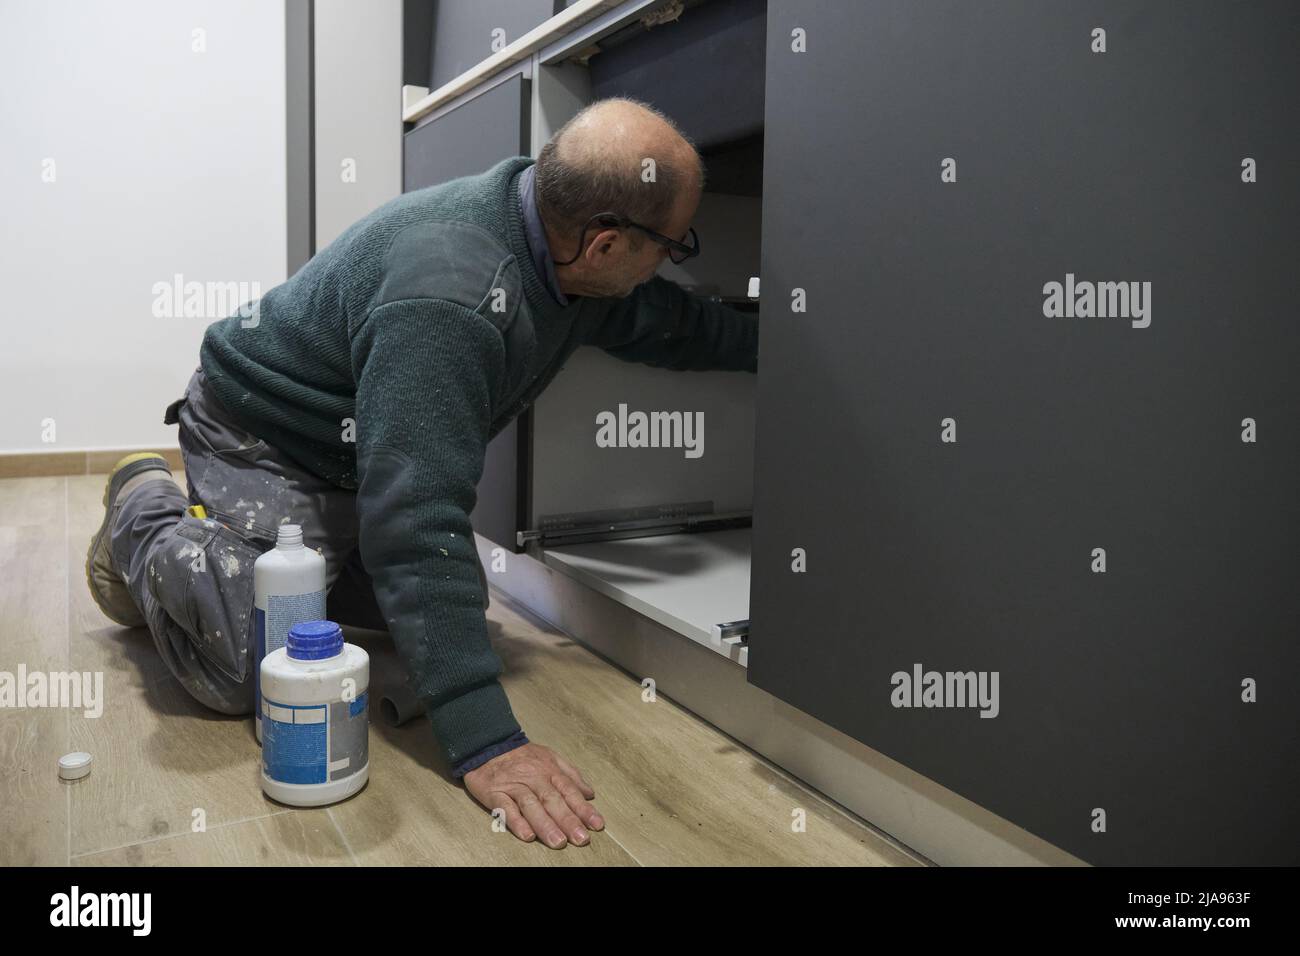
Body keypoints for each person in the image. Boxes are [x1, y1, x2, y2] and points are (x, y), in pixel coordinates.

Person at [85, 97, 758, 849]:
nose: (669, 259)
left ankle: (311, 555)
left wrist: (788, 339)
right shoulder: (452, 297)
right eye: (673, 245)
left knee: (435, 620)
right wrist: (485, 739)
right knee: (252, 667)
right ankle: (140, 508)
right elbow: (415, 518)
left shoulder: (560, 249)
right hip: (264, 431)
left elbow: (669, 322)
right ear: (604, 245)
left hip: (361, 461)